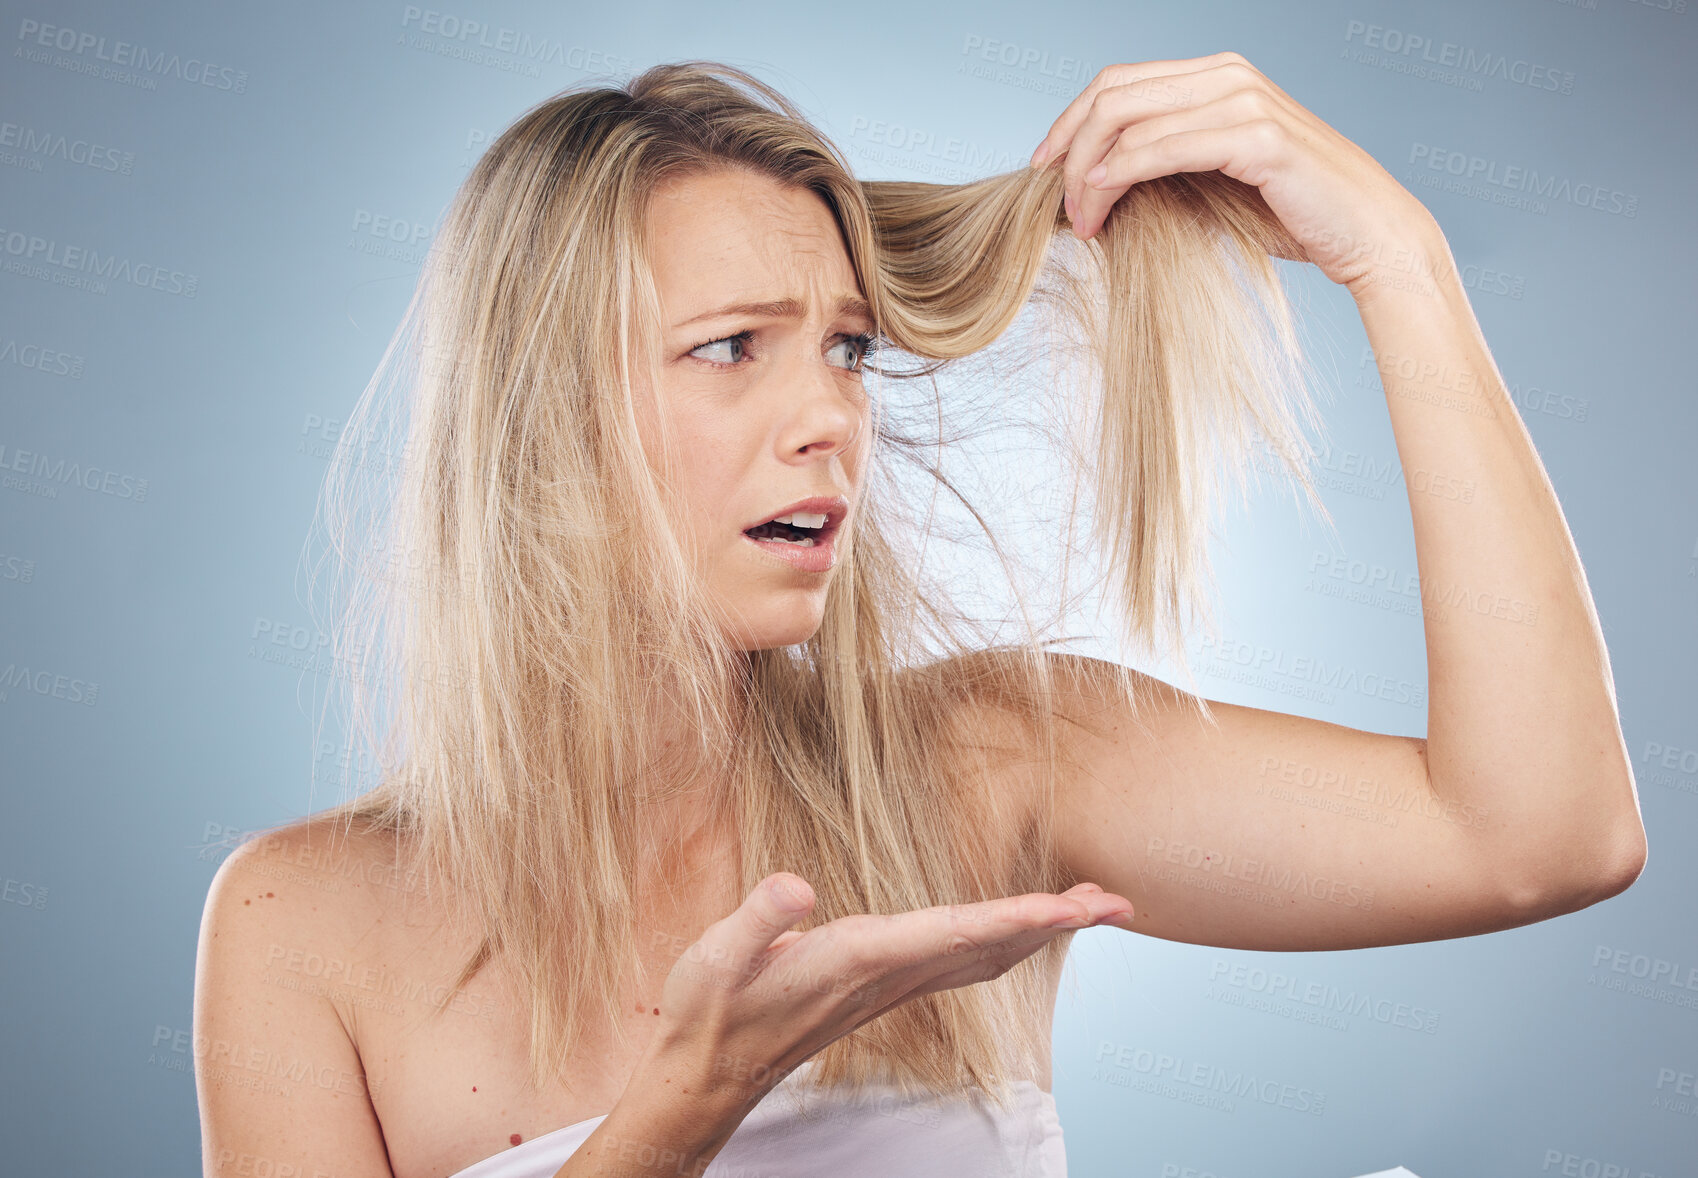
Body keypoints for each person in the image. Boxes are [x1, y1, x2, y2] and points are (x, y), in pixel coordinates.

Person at [193, 56, 1646, 1178]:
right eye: (730, 348)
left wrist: (1402, 260)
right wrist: (673, 1115)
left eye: (843, 348)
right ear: (535, 421)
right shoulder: (295, 928)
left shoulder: (993, 757)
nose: (828, 412)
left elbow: (1543, 836)